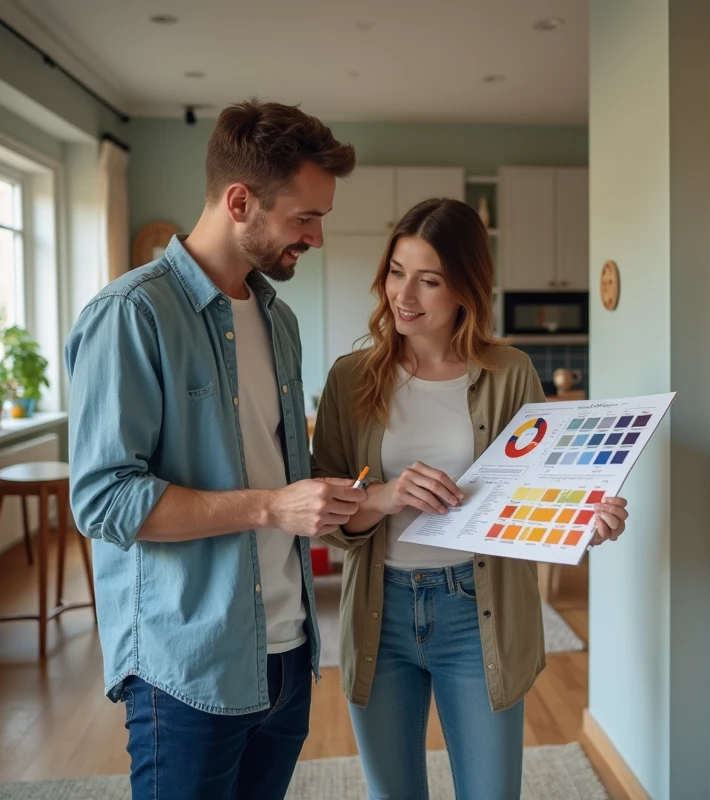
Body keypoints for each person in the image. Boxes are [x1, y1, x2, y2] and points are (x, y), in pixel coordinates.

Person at [65, 100, 366, 800]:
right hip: (187, 667)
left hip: (290, 654)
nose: (317, 238)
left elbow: (285, 475)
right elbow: (105, 499)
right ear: (240, 201)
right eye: (304, 217)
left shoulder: (278, 319)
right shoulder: (132, 315)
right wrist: (269, 508)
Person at [311, 197, 630, 800]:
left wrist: (583, 520)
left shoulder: (510, 373)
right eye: (396, 272)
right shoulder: (350, 378)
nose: (403, 293)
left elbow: (537, 491)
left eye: (428, 280)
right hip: (380, 614)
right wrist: (381, 495)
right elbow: (324, 507)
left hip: (475, 612)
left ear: (465, 288)